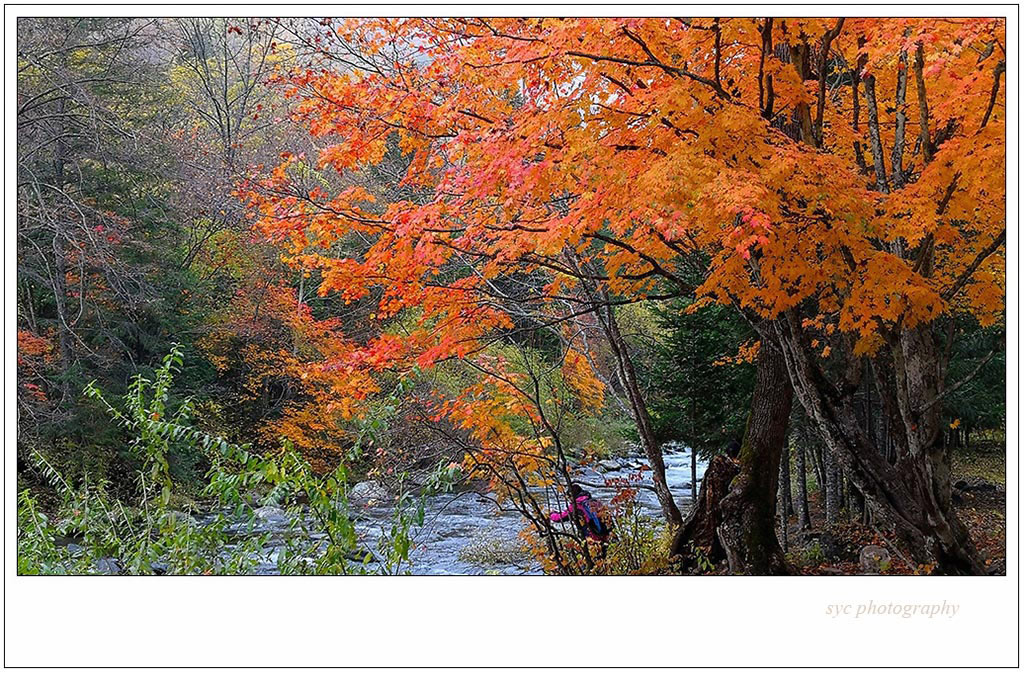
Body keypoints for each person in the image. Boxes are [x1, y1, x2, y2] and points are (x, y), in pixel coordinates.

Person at [550, 483, 611, 556]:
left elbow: (559, 518)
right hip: (605, 535)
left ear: (572, 496)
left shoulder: (576, 506)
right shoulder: (595, 502)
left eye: (569, 497)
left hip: (592, 539)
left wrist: (551, 514)